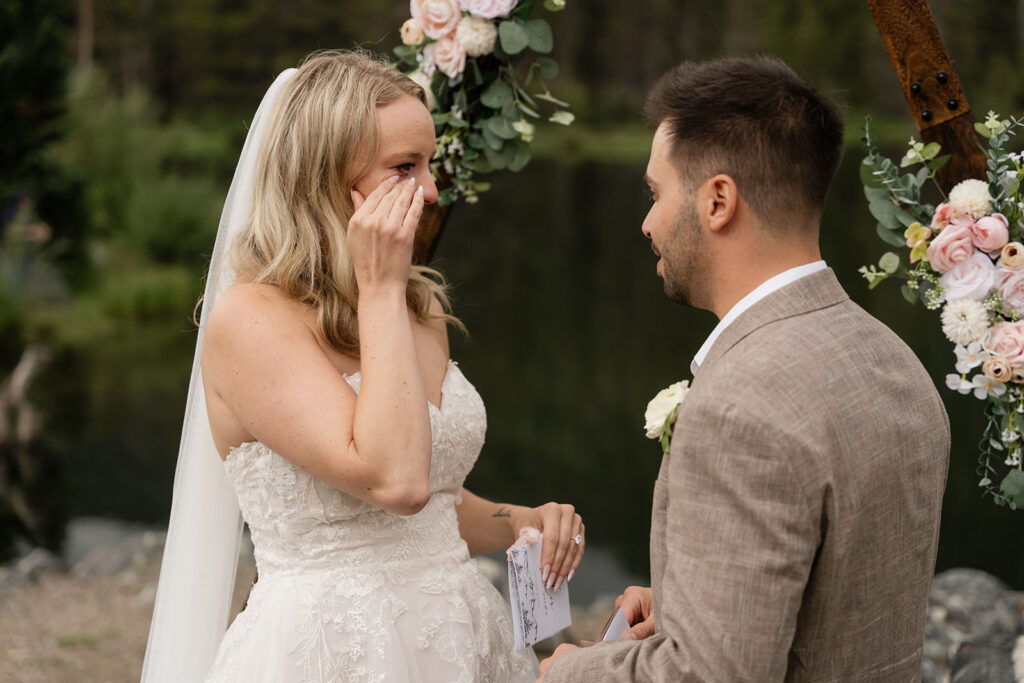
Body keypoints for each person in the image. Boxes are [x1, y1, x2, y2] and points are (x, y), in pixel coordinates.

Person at [141, 50, 585, 682]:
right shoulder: (251, 322)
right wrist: (378, 291)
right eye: (405, 168)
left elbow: (431, 502)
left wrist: (523, 521)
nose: (431, 191)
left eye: (429, 165)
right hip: (328, 649)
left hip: (460, 637)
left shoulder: (418, 303)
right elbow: (394, 484)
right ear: (324, 180)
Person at [538, 56, 949, 682]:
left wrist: (572, 671)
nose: (647, 223)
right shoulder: (894, 359)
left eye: (655, 193)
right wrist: (683, 609)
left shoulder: (740, 407)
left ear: (718, 201)